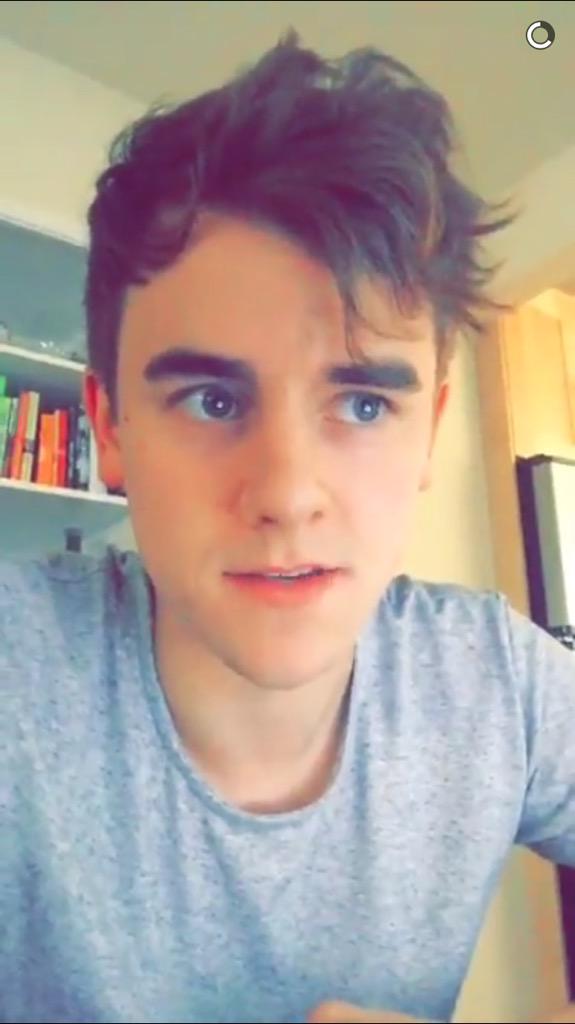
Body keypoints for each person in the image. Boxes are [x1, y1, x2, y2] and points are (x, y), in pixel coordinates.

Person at [1, 28, 574, 1024]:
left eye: (362, 404)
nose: (286, 494)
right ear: (111, 428)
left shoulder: (501, 683)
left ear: (428, 429)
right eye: (213, 401)